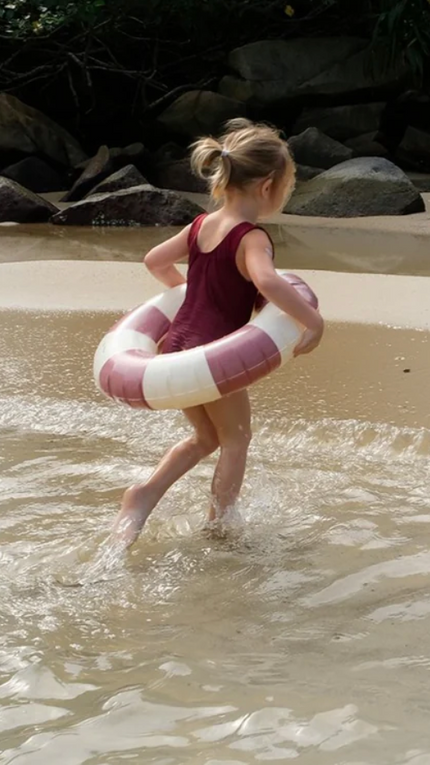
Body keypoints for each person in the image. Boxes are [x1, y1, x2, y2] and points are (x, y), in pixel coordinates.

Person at [113, 119, 324, 545]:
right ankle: (220, 525)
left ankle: (144, 493)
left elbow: (154, 261)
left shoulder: (200, 226)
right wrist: (313, 321)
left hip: (176, 350)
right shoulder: (252, 238)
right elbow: (267, 282)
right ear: (267, 187)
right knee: (236, 439)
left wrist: (190, 291)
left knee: (205, 437)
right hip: (212, 358)